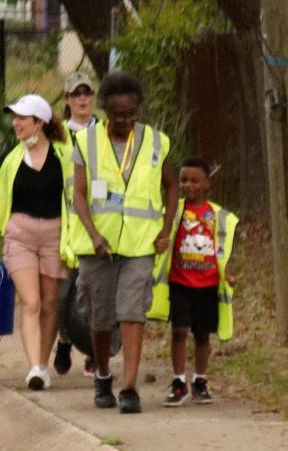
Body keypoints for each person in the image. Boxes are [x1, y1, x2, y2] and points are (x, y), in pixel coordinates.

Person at [69, 71, 178, 414]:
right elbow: (80, 194)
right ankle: (103, 375)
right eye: (118, 115)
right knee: (100, 319)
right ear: (104, 110)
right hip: (98, 246)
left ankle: (129, 388)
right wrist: (94, 235)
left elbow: (171, 185)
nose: (126, 121)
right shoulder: (86, 143)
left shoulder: (156, 142)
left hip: (139, 244)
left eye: (131, 114)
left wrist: (165, 228)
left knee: (133, 313)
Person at [0, 94, 73, 391]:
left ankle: (43, 361)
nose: (15, 124)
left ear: (39, 123)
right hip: (20, 236)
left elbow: (78, 195)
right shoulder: (11, 158)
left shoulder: (65, 155)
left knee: (51, 303)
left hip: (55, 236)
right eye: (13, 118)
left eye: (21, 118)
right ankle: (36, 368)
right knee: (31, 302)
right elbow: (0, 201)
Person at [148, 157, 238, 407]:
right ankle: (179, 382)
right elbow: (161, 241)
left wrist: (229, 272)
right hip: (180, 284)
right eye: (184, 180)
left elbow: (225, 250)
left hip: (207, 285)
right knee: (179, 331)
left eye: (195, 180)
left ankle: (200, 380)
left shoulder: (218, 216)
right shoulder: (173, 212)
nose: (189, 185)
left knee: (201, 335)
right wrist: (159, 243)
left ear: (207, 183)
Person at [54, 71, 100, 377]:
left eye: (86, 93)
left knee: (93, 292)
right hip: (63, 222)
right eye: (76, 94)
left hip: (96, 222)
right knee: (61, 291)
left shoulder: (106, 133)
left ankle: (95, 351)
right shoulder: (58, 136)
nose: (82, 99)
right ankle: (64, 339)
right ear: (68, 100)